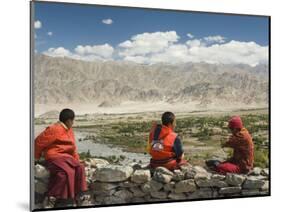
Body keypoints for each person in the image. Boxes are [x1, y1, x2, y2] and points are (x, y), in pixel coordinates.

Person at [35, 108, 89, 208]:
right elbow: (38, 142)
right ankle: (51, 197)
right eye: (73, 120)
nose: (73, 123)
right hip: (54, 156)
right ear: (68, 120)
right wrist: (36, 157)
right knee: (67, 172)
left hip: (66, 158)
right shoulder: (54, 129)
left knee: (80, 168)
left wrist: (77, 160)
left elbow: (73, 148)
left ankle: (80, 195)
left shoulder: (69, 130)